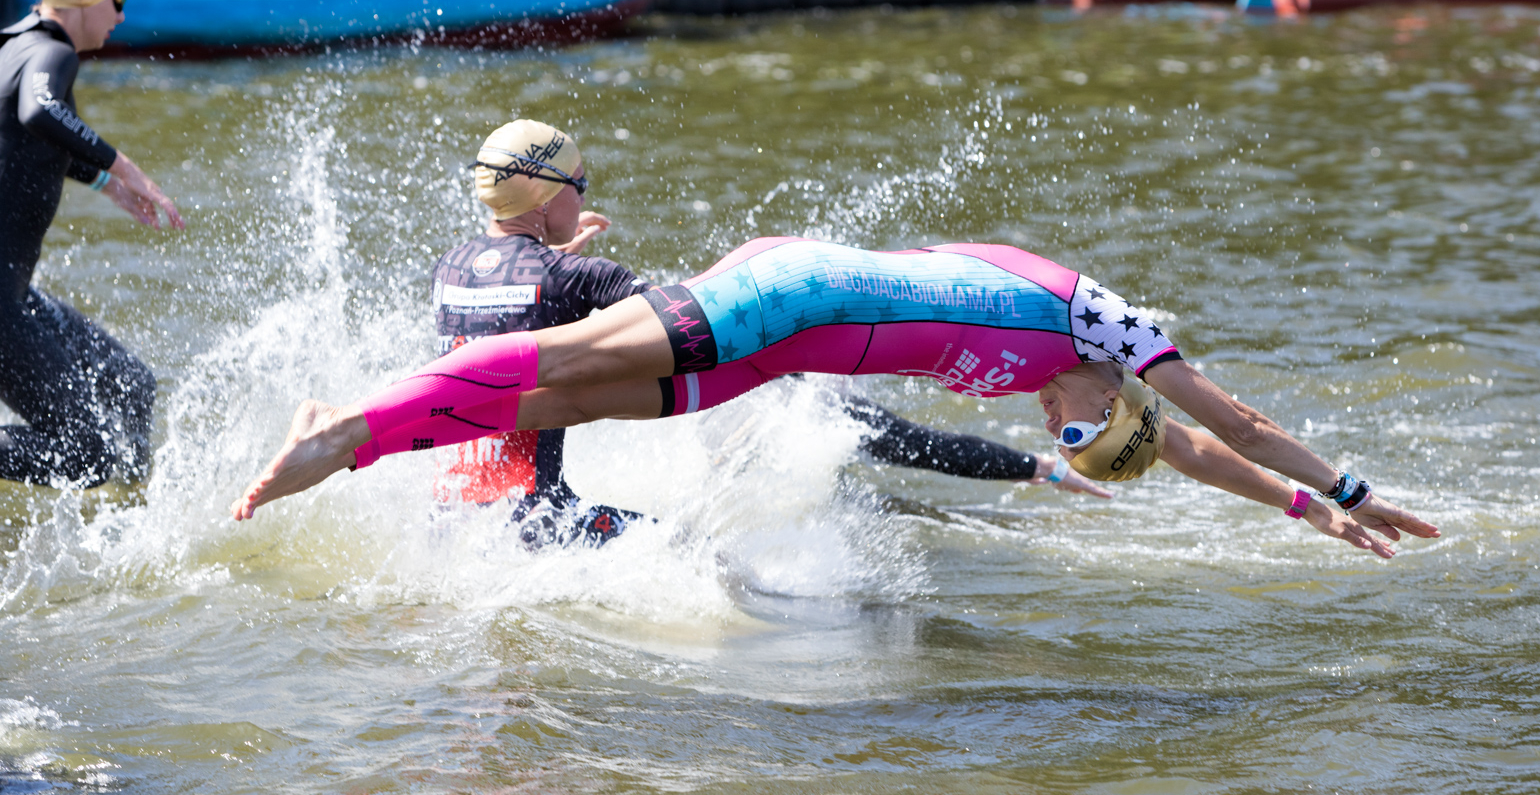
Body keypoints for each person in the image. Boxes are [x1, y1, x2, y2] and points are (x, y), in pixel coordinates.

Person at [234, 233, 1441, 559]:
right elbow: (1234, 420)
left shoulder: (1088, 392)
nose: (1051, 428)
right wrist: (1346, 481)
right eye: (1077, 426)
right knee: (568, 361)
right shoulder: (1099, 321)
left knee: (581, 409)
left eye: (1062, 441)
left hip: (790, 348)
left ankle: (371, 443)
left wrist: (1299, 517)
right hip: (794, 295)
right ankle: (352, 424)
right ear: (1112, 387)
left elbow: (1190, 454)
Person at [432, 120, 1109, 548]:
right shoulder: (579, 277)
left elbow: (515, 310)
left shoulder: (452, 268)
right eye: (578, 182)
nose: (585, 192)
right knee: (698, 560)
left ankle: (1042, 470)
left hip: (451, 523)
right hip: (533, 522)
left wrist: (564, 259)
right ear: (548, 196)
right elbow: (684, 330)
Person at [0, 0, 184, 487]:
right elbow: (40, 110)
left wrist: (101, 179)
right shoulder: (52, 53)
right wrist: (125, 166)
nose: (122, 17)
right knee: (86, 450)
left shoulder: (14, 45)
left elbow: (19, 140)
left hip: (14, 292)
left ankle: (127, 532)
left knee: (130, 384)